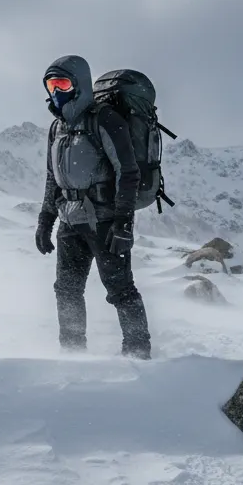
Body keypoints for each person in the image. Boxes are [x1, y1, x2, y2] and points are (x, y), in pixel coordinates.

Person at [33, 54, 152, 359]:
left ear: (80, 84)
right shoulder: (56, 128)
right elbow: (52, 176)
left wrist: (123, 223)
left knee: (120, 290)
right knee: (67, 290)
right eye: (51, 85)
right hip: (69, 220)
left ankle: (138, 354)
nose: (56, 91)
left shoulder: (105, 119)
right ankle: (72, 354)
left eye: (62, 83)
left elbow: (128, 172)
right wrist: (45, 219)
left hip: (105, 219)